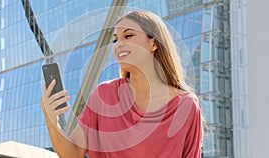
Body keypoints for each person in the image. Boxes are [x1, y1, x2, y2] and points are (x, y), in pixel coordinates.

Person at [40, 10, 203, 158]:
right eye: (115, 39)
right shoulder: (104, 95)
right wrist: (51, 120)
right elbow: (72, 153)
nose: (118, 44)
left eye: (128, 35)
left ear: (153, 43)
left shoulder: (186, 106)